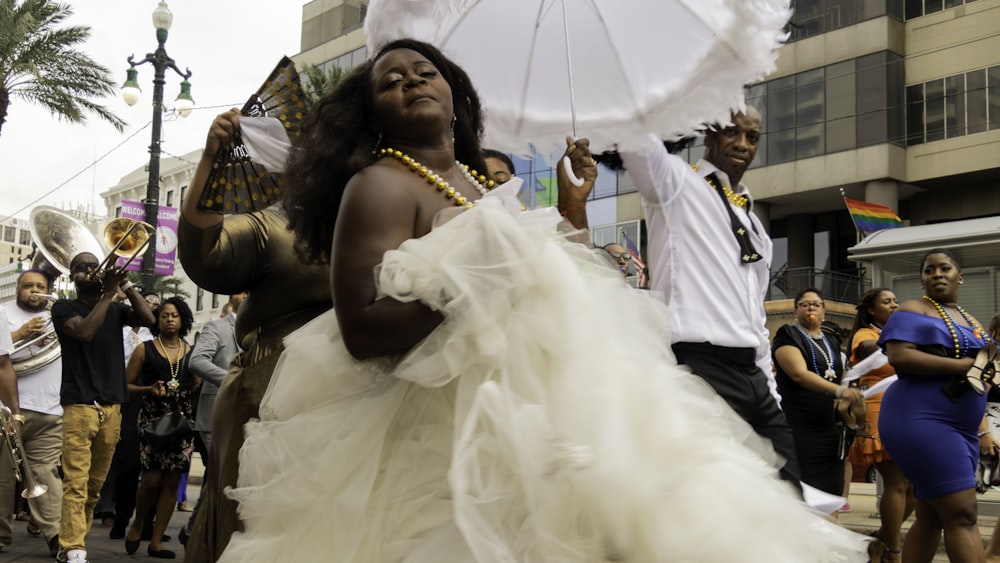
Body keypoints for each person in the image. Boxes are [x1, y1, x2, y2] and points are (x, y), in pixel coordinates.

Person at [216, 38, 866, 562]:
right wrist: (468, 293)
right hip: (436, 439)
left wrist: (573, 208)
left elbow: (548, 276)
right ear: (371, 113)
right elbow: (360, 330)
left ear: (454, 93)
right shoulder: (380, 183)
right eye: (390, 80)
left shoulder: (474, 184)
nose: (411, 80)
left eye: (425, 71)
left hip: (531, 419)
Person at [615, 107, 802, 489]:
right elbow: (635, 138)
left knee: (789, 491)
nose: (742, 144)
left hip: (752, 374)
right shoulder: (676, 184)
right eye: (732, 132)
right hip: (699, 367)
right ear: (709, 135)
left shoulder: (753, 222)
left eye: (752, 137)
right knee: (714, 496)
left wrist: (769, 389)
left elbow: (754, 315)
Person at [178, 110, 333, 561]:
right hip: (265, 397)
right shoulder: (272, 225)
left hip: (350, 403)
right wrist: (213, 159)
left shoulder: (376, 216)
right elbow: (205, 257)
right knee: (250, 526)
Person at [879, 248, 990, 562]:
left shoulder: (969, 319)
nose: (937, 274)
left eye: (945, 268)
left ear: (960, 277)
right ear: (923, 280)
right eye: (929, 270)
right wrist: (965, 366)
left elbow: (984, 372)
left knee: (931, 515)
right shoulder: (914, 308)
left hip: (961, 428)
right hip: (922, 419)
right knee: (963, 514)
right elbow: (899, 355)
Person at [50, 253, 155, 563]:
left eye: (92, 265)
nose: (88, 270)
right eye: (80, 268)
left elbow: (150, 321)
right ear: (72, 278)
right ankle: (73, 547)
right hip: (79, 405)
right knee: (76, 482)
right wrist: (109, 292)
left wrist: (127, 285)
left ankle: (71, 542)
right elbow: (84, 332)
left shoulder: (116, 309)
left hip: (112, 407)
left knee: (94, 487)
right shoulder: (64, 307)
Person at [772, 289, 865, 501]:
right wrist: (840, 391)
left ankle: (829, 529)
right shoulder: (787, 336)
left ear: (824, 311)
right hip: (799, 424)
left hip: (828, 425)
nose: (811, 307)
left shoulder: (831, 341)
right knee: (804, 489)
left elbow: (840, 372)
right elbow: (799, 374)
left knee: (831, 490)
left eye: (817, 304)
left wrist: (850, 389)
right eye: (804, 304)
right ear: (796, 311)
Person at [124, 297, 196, 559]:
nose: (169, 319)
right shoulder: (144, 349)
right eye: (164, 315)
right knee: (152, 480)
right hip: (153, 422)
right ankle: (138, 522)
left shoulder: (191, 351)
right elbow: (126, 387)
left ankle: (157, 542)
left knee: (172, 481)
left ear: (183, 320)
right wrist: (148, 389)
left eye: (174, 315)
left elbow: (196, 383)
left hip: (181, 426)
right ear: (158, 319)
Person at [847, 288, 913, 563]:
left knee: (913, 487)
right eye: (887, 302)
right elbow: (869, 350)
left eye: (896, 301)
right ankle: (894, 551)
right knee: (897, 483)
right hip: (879, 411)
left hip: (907, 410)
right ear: (872, 311)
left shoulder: (903, 334)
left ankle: (881, 540)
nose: (895, 305)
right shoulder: (867, 335)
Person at [0, 270, 63, 556]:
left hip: (50, 408)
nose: (34, 290)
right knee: (2, 477)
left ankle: (57, 537)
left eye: (40, 286)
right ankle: (1, 537)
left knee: (45, 474)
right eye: (28, 286)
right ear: (18, 289)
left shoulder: (58, 315)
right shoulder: (3, 313)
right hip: (9, 410)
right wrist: (20, 334)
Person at [178, 292, 246, 546]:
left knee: (222, 474)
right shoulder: (216, 327)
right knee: (222, 472)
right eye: (243, 291)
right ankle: (200, 530)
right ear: (233, 298)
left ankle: (195, 529)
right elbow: (196, 361)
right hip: (215, 411)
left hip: (246, 413)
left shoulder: (261, 328)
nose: (248, 295)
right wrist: (234, 380)